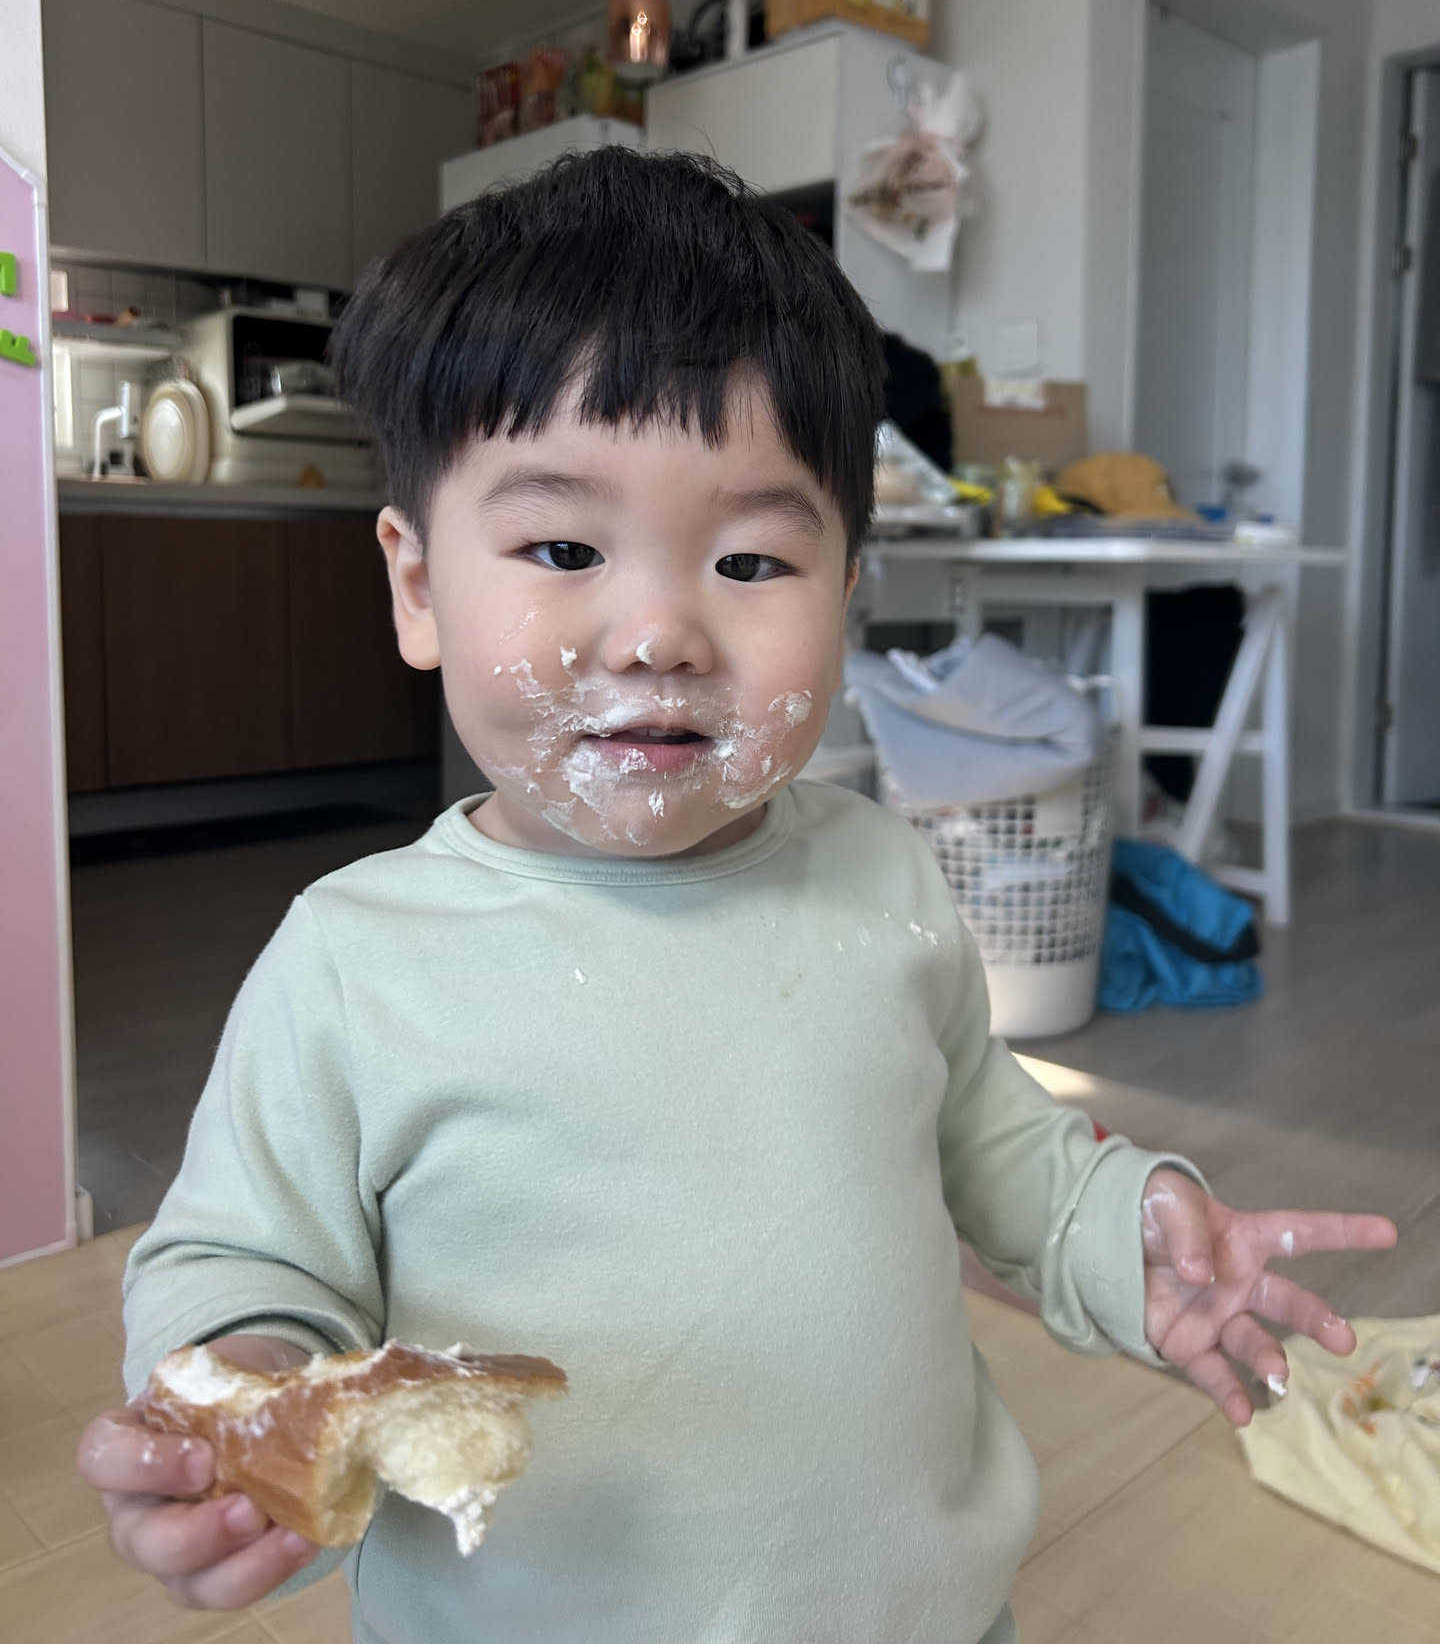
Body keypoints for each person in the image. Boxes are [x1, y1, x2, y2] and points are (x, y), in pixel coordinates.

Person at [75, 150, 1396, 1644]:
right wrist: (241, 1411)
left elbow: (993, 1142)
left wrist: (1127, 1234)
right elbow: (247, 1262)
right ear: (419, 585)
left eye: (753, 559)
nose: (659, 632)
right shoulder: (354, 961)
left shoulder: (882, 875)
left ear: (848, 589)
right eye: (563, 548)